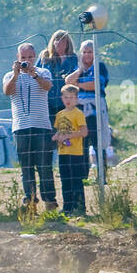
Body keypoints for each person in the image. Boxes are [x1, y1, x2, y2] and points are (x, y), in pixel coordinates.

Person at [3, 42, 56, 211]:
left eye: (30, 57)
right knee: (26, 166)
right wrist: (16, 74)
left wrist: (34, 75)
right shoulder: (9, 75)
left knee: (44, 165)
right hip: (20, 126)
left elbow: (48, 87)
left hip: (41, 125)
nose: (27, 61)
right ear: (17, 59)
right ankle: (30, 200)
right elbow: (7, 91)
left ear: (35, 57)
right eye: (23, 58)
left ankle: (50, 201)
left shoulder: (43, 72)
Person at [66, 41, 109, 172]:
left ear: (95, 53)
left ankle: (102, 174)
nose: (87, 55)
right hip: (80, 111)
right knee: (82, 143)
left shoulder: (99, 66)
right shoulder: (77, 68)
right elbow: (68, 82)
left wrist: (78, 84)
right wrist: (80, 71)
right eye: (84, 52)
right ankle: (83, 173)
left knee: (98, 142)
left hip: (96, 111)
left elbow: (96, 85)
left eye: (90, 52)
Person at [52, 85, 88, 215]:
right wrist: (56, 136)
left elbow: (84, 132)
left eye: (71, 97)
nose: (68, 100)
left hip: (75, 153)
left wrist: (68, 136)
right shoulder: (59, 114)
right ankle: (67, 207)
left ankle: (80, 207)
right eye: (66, 97)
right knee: (65, 180)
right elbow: (59, 130)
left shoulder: (78, 113)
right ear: (62, 98)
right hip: (63, 153)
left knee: (76, 180)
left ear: (76, 99)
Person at [38, 30, 78, 127]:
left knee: (66, 130)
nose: (59, 42)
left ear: (68, 43)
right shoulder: (45, 56)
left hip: (66, 101)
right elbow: (36, 72)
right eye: (57, 39)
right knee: (50, 132)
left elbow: (78, 74)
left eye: (63, 40)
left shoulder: (73, 57)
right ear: (53, 41)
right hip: (47, 102)